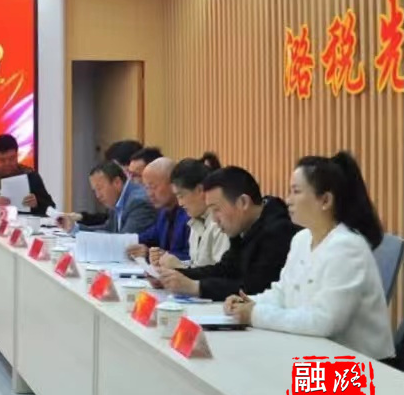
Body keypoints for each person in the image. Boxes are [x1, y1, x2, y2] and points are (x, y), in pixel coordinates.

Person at [225, 153, 394, 359]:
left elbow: (324, 321)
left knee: (269, 372)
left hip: (362, 367)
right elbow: (282, 293)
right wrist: (248, 303)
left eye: (296, 191)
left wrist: (255, 314)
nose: (288, 200)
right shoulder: (301, 239)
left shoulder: (347, 247)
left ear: (325, 200)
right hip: (316, 354)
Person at [157, 166, 296, 301]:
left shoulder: (278, 232)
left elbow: (256, 288)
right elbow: (224, 270)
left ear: (243, 202)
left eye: (216, 209)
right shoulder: (242, 227)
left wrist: (197, 287)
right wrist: (173, 276)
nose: (214, 219)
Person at [158, 154, 228, 269]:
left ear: (200, 190)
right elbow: (197, 266)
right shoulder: (196, 221)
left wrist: (180, 267)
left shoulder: (221, 223)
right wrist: (170, 266)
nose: (180, 203)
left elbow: (221, 275)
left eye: (181, 196)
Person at [58, 162, 157, 234]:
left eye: (100, 188)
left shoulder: (138, 202)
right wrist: (74, 228)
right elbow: (109, 229)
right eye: (95, 191)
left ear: (117, 182)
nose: (98, 195)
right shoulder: (118, 199)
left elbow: (124, 241)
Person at [0, 134, 55, 215]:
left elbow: (51, 207)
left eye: (12, 158)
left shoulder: (30, 175)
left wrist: (37, 203)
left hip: (25, 224)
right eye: (2, 160)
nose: (7, 163)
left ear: (17, 155)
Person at [126, 157, 190, 262]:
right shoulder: (164, 212)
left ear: (173, 184)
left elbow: (192, 257)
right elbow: (147, 237)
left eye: (153, 187)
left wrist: (155, 255)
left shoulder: (189, 212)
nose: (149, 194)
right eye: (146, 188)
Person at [79, 139, 144, 226]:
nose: (112, 170)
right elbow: (109, 223)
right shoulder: (119, 197)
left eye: (115, 167)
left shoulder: (139, 200)